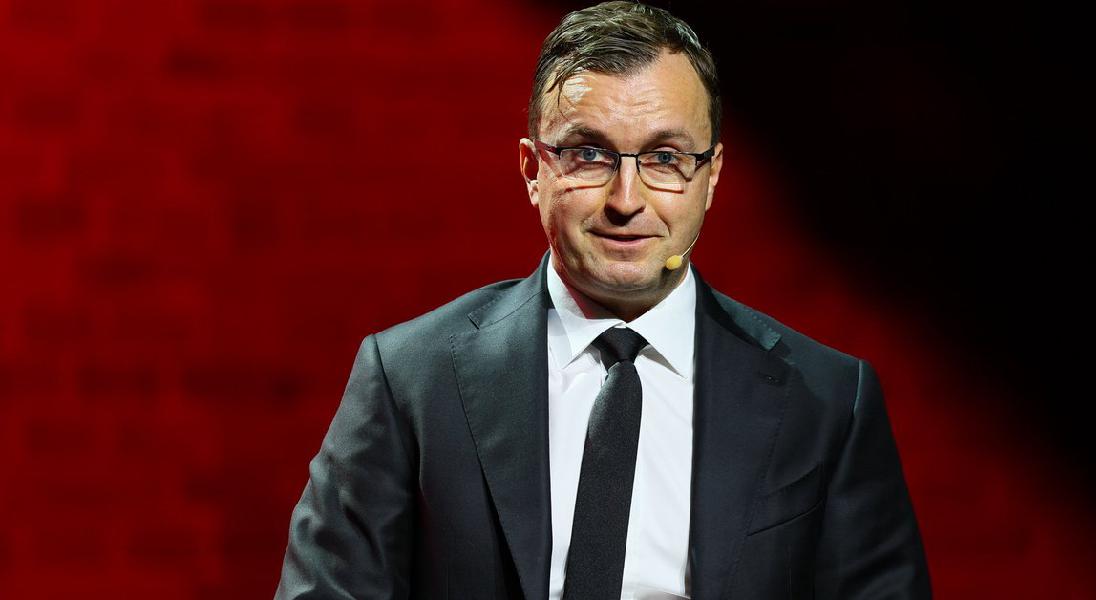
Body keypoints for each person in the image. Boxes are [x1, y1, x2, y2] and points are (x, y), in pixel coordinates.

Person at [275, 2, 930, 598]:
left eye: (665, 158)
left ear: (711, 177)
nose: (626, 200)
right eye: (589, 155)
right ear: (533, 171)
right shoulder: (410, 381)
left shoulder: (829, 403)